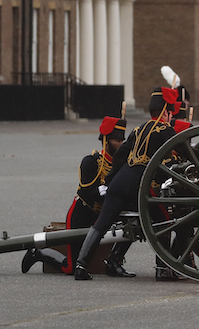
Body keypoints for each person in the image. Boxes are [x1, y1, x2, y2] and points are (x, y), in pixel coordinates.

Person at [72, 83, 189, 281]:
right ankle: (162, 270)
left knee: (101, 224)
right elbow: (189, 153)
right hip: (140, 187)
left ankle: (81, 266)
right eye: (171, 113)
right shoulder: (166, 131)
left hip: (119, 183)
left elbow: (119, 158)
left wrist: (108, 182)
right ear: (167, 113)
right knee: (163, 221)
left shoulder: (138, 130)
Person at [22, 115, 134, 277]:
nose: (121, 144)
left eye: (122, 140)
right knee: (71, 267)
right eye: (117, 140)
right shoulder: (91, 162)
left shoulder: (122, 164)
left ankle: (114, 261)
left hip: (105, 215)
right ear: (106, 140)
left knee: (133, 225)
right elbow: (89, 193)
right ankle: (39, 253)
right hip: (82, 214)